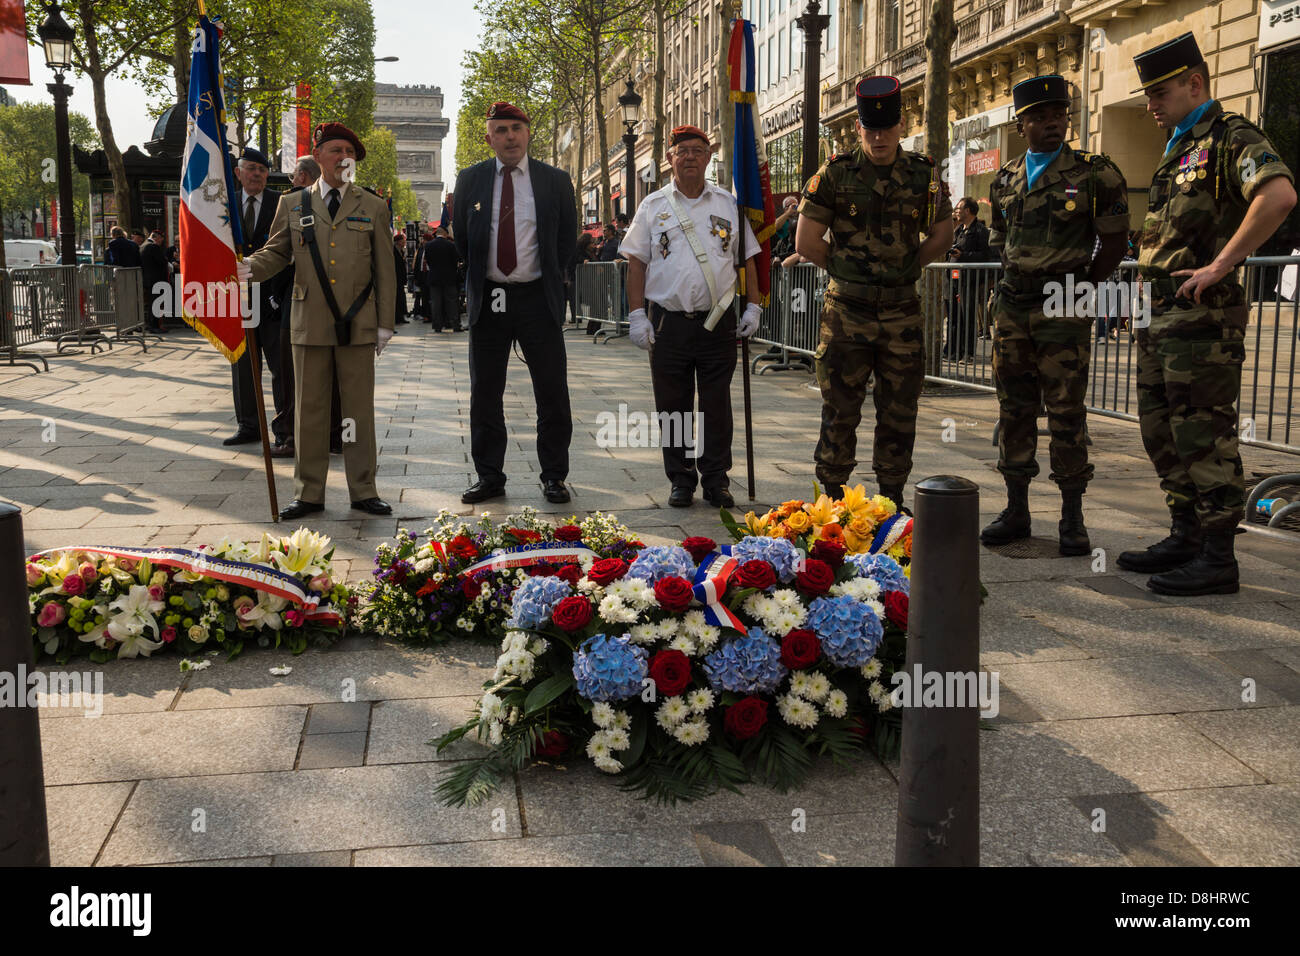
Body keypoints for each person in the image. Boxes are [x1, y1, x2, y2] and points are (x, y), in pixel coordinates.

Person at [1115, 32, 1296, 595]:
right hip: (1160, 320)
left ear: (1196, 83)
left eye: (1161, 92)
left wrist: (1220, 265)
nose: (1150, 104)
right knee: (1161, 431)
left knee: (1203, 436)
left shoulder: (1229, 137)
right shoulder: (1178, 145)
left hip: (1202, 323)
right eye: (1147, 94)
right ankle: (1185, 533)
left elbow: (1279, 195)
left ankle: (1219, 554)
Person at [978, 76, 1130, 555]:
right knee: (1014, 409)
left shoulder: (1094, 172)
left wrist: (1083, 287)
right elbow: (999, 239)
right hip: (1013, 305)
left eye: (1059, 115)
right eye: (1040, 117)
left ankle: (1072, 516)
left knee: (1067, 412)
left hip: (1064, 304)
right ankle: (1017, 509)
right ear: (1021, 124)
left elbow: (1115, 241)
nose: (1052, 124)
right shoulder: (1003, 178)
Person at [796, 76, 954, 511]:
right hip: (847, 311)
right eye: (870, 129)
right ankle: (829, 500)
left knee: (899, 409)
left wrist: (905, 268)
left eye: (887, 128)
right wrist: (850, 272)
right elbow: (806, 241)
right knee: (839, 409)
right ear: (858, 128)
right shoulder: (835, 173)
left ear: (901, 124)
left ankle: (891, 500)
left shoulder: (922, 175)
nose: (879, 137)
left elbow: (942, 232)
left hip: (902, 311)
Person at [238, 122, 397, 520]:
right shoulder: (292, 204)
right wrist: (246, 268)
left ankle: (363, 489)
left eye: (350, 152)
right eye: (336, 150)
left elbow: (385, 268)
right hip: (308, 320)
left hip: (358, 321)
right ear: (319, 156)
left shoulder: (373, 205)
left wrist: (385, 323)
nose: (345, 157)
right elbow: (276, 253)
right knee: (308, 409)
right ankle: (308, 493)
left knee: (356, 412)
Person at [623, 125, 763, 509]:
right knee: (673, 405)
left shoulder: (728, 204)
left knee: (716, 404)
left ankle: (716, 479)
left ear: (708, 156)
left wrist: (753, 305)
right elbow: (635, 264)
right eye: (681, 150)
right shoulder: (652, 206)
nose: (689, 157)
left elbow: (747, 257)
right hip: (668, 320)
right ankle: (681, 478)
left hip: (718, 321)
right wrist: (637, 315)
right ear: (669, 159)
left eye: (697, 150)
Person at [453, 101, 577, 505]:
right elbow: (462, 240)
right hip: (491, 297)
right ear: (488, 137)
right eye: (501, 129)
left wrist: (553, 285)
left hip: (536, 297)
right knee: (485, 392)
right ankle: (489, 476)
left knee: (552, 390)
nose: (509, 136)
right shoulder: (470, 179)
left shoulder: (555, 180)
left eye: (516, 129)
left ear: (528, 134)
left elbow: (565, 241)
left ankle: (554, 475)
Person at [223, 147, 291, 455]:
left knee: (281, 368)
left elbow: (288, 252)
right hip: (236, 299)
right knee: (243, 365)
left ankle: (284, 429)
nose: (257, 175)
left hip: (272, 299)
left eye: (262, 170)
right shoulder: (223, 204)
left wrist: (280, 294)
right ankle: (248, 425)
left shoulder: (283, 202)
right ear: (238, 173)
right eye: (251, 169)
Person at [944, 197, 992, 359]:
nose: (956, 211)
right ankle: (953, 351)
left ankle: (968, 352)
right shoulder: (957, 230)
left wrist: (964, 256)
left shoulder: (980, 231)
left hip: (969, 281)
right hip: (954, 280)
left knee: (968, 318)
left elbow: (986, 256)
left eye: (959, 208)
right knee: (954, 318)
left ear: (968, 211)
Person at [424, 226, 460, 331]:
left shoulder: (429, 245)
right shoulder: (451, 245)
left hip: (434, 277)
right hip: (449, 278)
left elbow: (428, 261)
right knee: (452, 302)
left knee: (436, 303)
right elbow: (455, 261)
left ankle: (437, 326)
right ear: (445, 233)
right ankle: (455, 324)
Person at [140, 230, 171, 333]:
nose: (161, 241)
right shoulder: (153, 247)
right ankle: (155, 326)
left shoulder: (143, 245)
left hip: (148, 280)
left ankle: (151, 324)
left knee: (151, 303)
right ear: (156, 237)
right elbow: (162, 261)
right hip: (156, 280)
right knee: (156, 304)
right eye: (161, 239)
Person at [571, 231, 596, 328]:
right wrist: (583, 261)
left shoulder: (591, 251)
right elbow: (575, 260)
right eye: (591, 242)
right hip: (582, 280)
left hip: (591, 280)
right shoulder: (578, 251)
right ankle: (579, 320)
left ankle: (592, 326)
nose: (593, 245)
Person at [392, 231, 410, 325]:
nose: (404, 243)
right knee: (398, 299)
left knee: (401, 298)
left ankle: (401, 316)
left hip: (400, 279)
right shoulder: (393, 251)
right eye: (403, 241)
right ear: (398, 242)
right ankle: (397, 317)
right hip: (395, 279)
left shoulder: (401, 251)